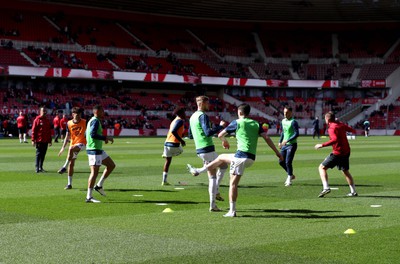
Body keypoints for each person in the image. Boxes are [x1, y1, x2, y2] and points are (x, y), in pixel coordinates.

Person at [187, 103, 283, 217]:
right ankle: (200, 170)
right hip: (251, 158)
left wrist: (224, 140)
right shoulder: (256, 123)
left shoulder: (236, 122)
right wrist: (277, 153)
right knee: (221, 157)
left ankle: (232, 211)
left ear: (240, 112)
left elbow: (220, 134)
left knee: (232, 184)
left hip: (240, 157)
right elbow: (266, 138)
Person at [187, 95, 228, 212]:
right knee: (216, 173)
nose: (209, 106)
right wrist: (220, 126)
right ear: (203, 103)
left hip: (200, 149)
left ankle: (215, 195)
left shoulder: (192, 117)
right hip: (207, 148)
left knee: (221, 168)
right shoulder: (202, 116)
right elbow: (208, 132)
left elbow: (190, 135)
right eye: (208, 103)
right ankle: (213, 202)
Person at [314, 111, 358, 198]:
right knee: (345, 171)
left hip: (338, 153)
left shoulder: (332, 128)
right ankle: (353, 191)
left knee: (322, 167)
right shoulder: (340, 124)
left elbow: (334, 139)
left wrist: (322, 145)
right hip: (346, 151)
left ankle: (326, 187)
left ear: (327, 119)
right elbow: (352, 130)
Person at [85, 105, 116, 203]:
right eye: (102, 111)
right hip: (94, 150)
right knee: (94, 172)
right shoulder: (95, 121)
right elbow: (92, 134)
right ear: (97, 111)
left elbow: (86, 134)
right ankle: (89, 197)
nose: (104, 112)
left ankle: (99, 186)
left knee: (111, 165)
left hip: (97, 149)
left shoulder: (91, 120)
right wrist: (105, 138)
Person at [57, 107, 87, 190]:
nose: (79, 116)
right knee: (72, 163)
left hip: (83, 144)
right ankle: (69, 184)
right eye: (77, 115)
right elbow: (67, 136)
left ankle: (64, 167)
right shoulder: (69, 123)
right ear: (73, 114)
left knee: (71, 149)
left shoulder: (85, 122)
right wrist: (62, 147)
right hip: (73, 144)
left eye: (80, 114)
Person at [161, 107, 186, 186]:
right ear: (181, 113)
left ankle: (164, 181)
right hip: (174, 144)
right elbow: (174, 131)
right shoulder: (180, 121)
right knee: (181, 150)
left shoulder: (174, 121)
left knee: (167, 162)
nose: (185, 114)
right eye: (184, 113)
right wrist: (181, 140)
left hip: (166, 143)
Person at [278, 106, 299, 187]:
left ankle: (289, 179)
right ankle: (291, 174)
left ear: (291, 113)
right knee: (280, 162)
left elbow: (296, 134)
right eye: (284, 112)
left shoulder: (294, 122)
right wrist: (280, 141)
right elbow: (283, 132)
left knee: (288, 162)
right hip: (284, 145)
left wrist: (287, 140)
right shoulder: (283, 121)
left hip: (292, 144)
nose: (285, 114)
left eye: (286, 113)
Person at [31, 107, 52, 173]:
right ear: (40, 111)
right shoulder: (37, 120)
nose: (44, 112)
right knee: (38, 154)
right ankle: (37, 167)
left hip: (45, 140)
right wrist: (33, 140)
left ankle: (41, 167)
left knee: (43, 154)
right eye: (43, 111)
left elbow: (49, 131)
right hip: (39, 140)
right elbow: (34, 130)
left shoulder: (47, 120)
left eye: (45, 111)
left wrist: (50, 141)